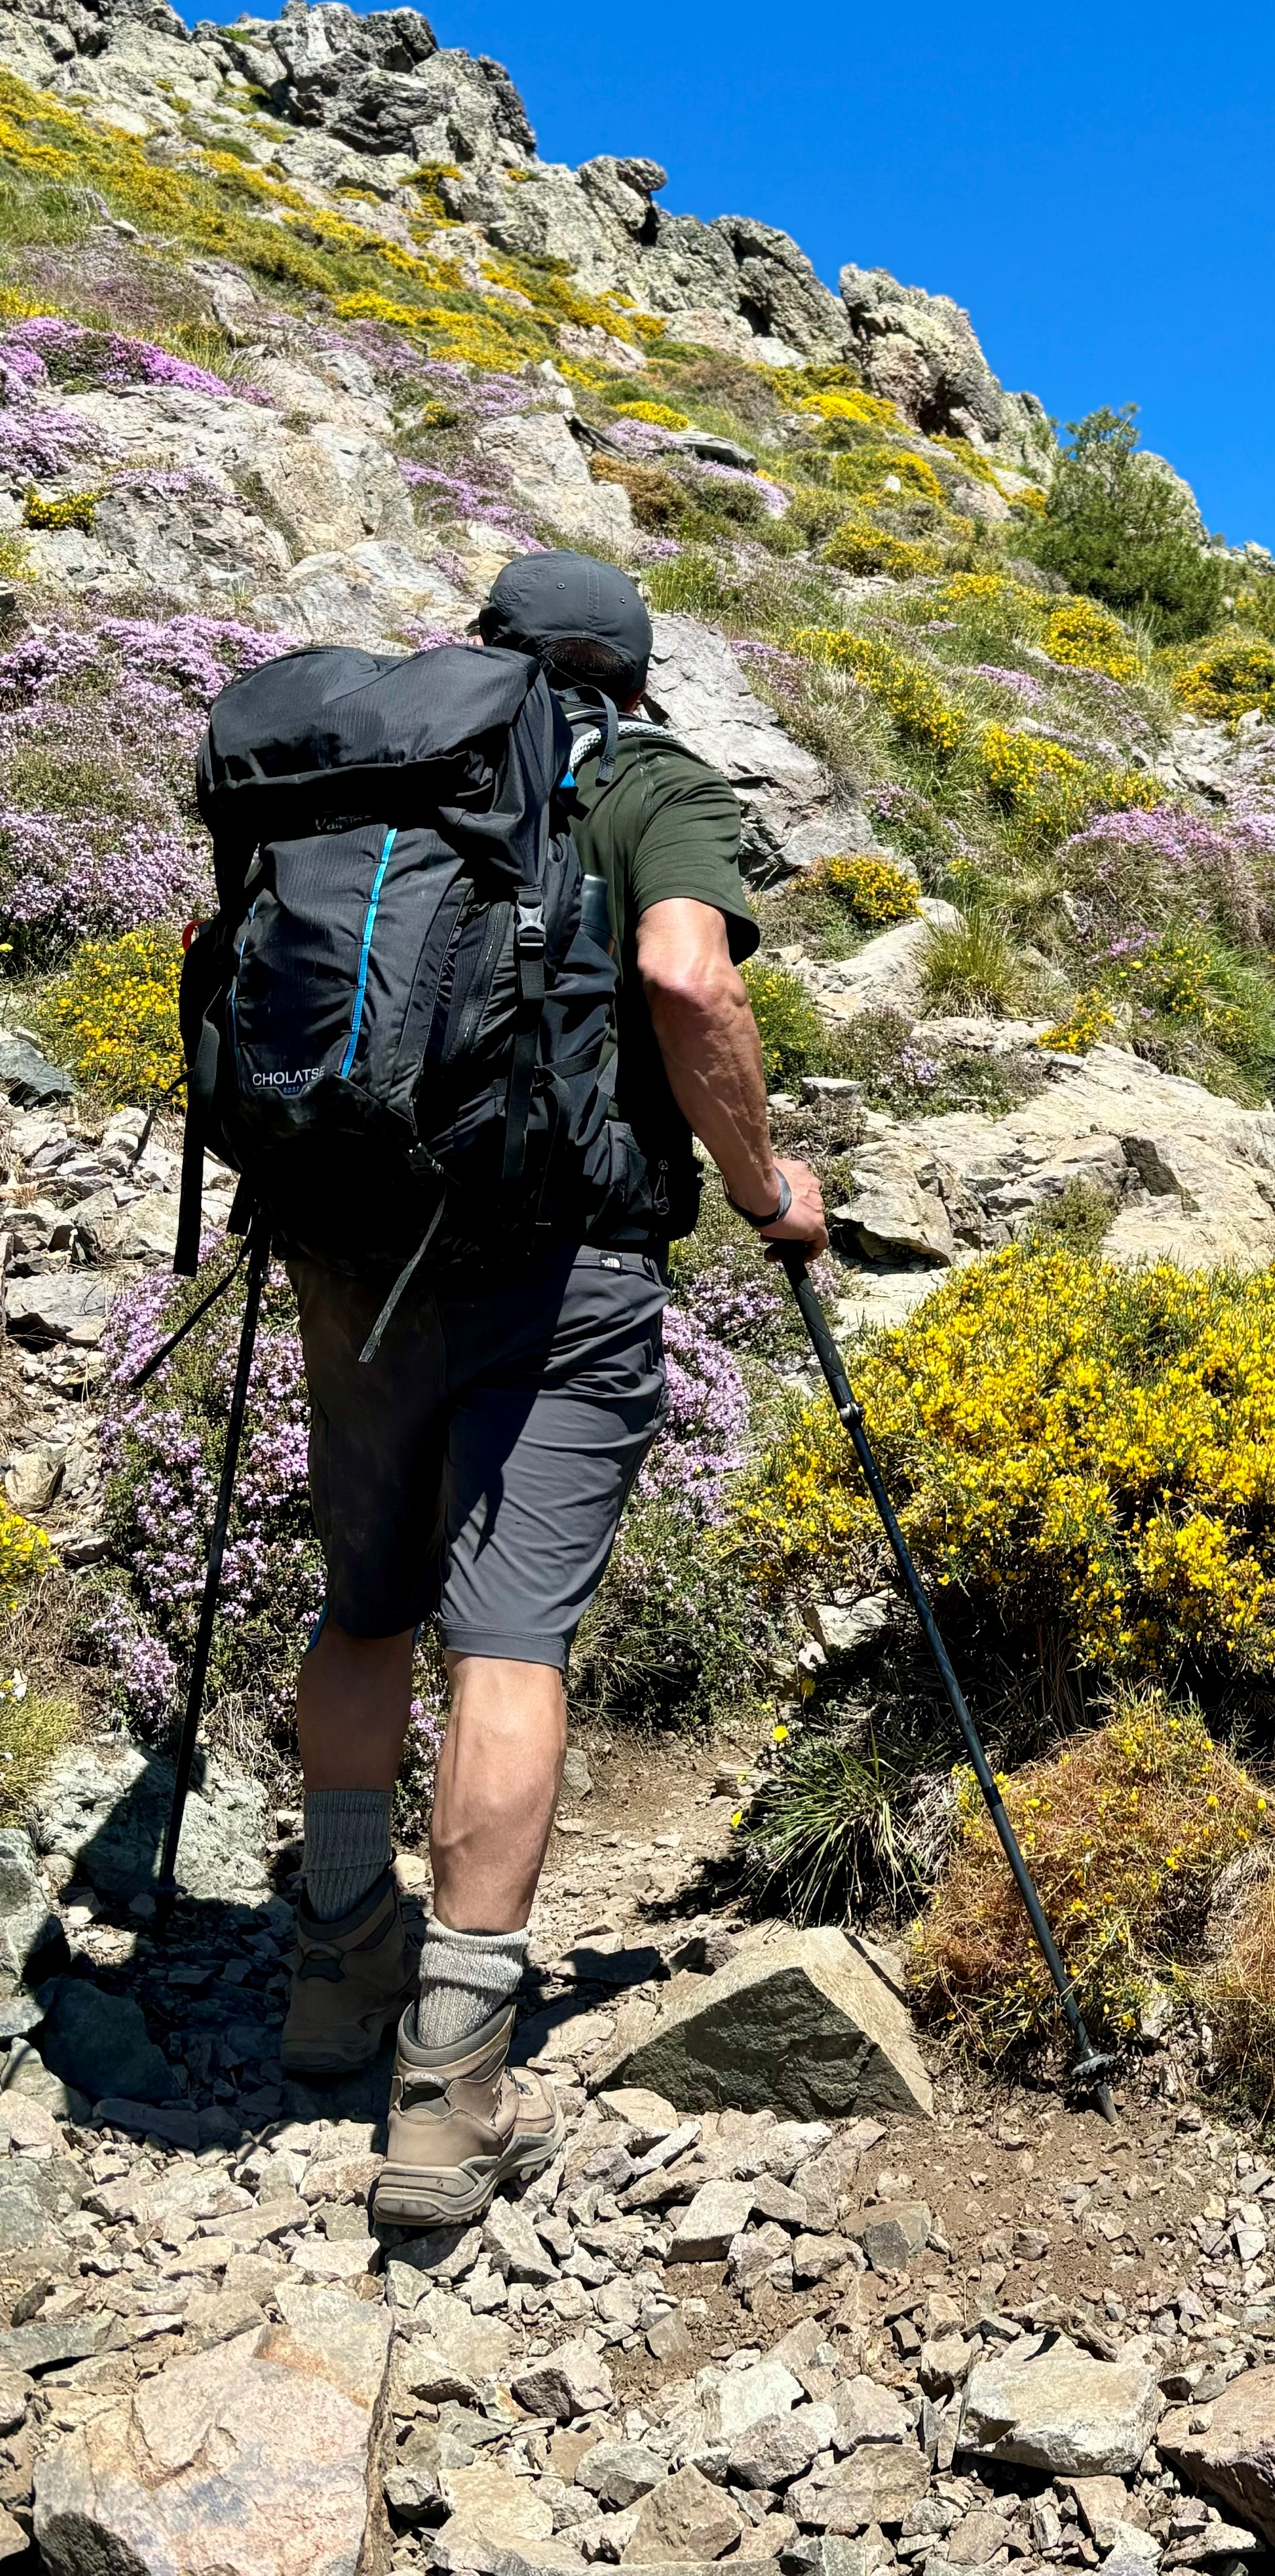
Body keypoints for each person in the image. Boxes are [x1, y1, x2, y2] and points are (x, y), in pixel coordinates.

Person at [278, 551, 827, 2231]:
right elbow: (684, 976)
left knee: (366, 1609)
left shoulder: (382, 762)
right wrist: (762, 1186)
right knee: (507, 1640)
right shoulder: (643, 777)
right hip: (560, 1260)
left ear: (491, 648)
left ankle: (331, 1969)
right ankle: (449, 2093)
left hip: (353, 1240)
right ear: (633, 674)